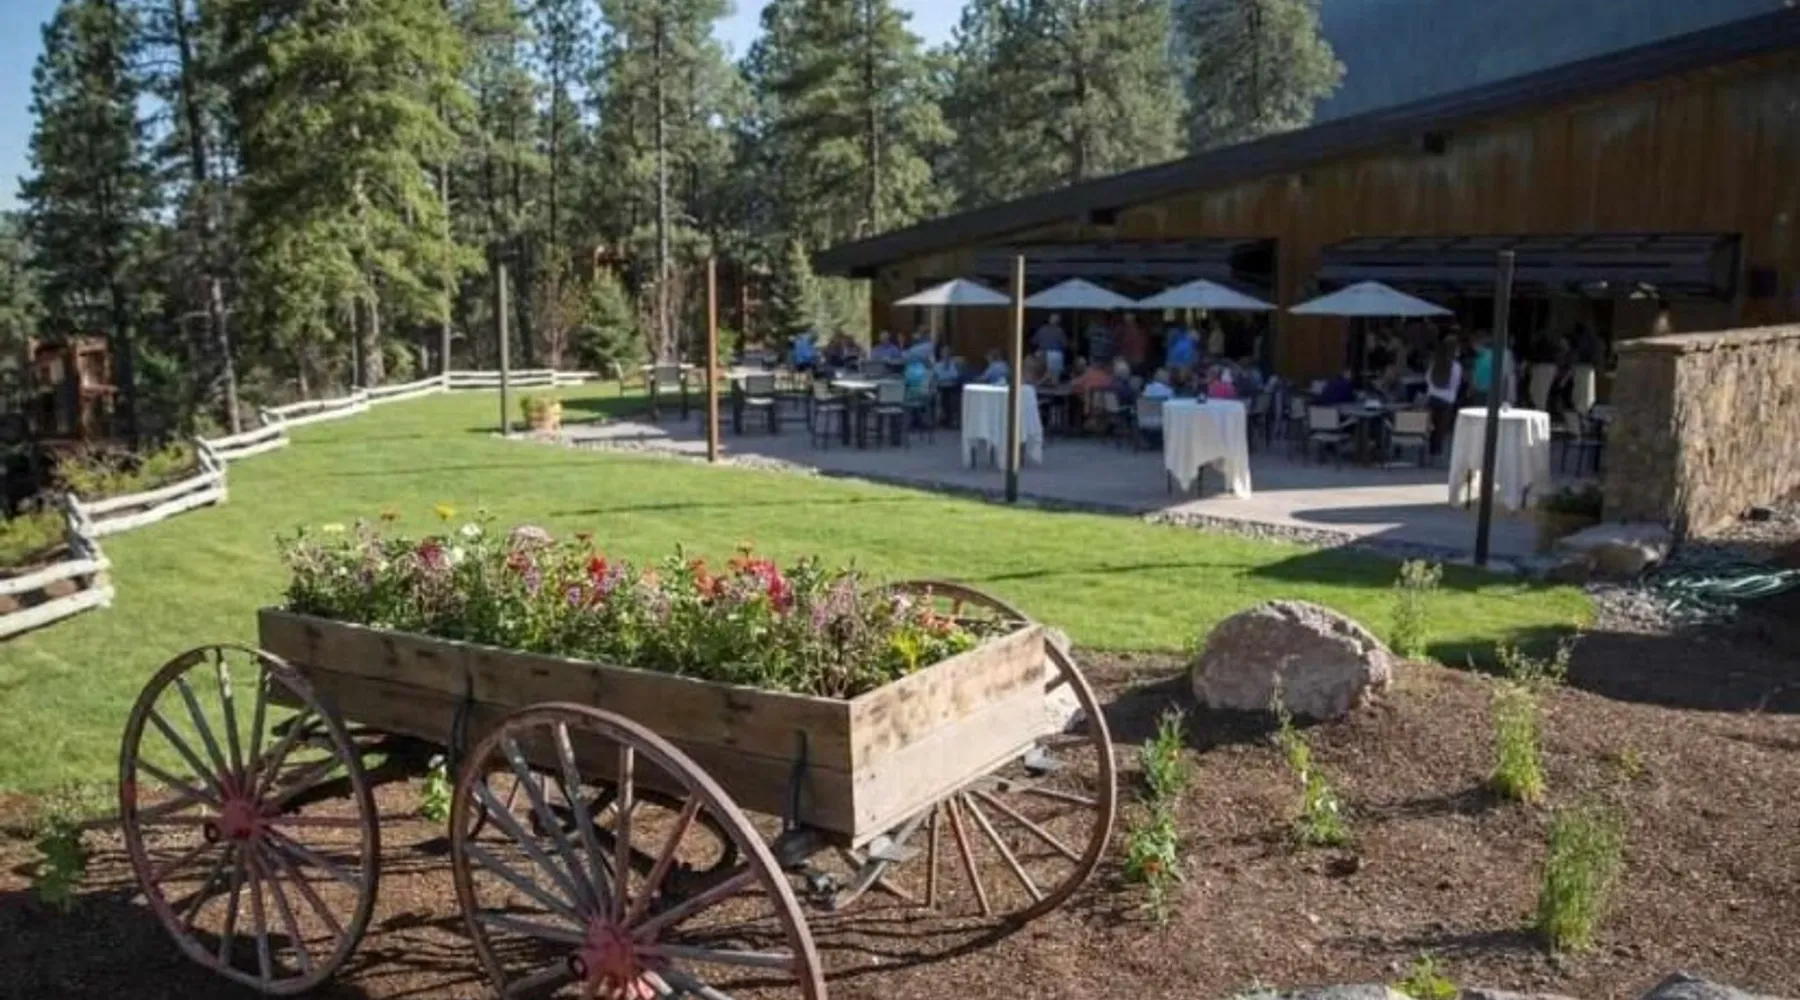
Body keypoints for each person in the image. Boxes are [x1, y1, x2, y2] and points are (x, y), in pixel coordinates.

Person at [1425, 338, 1462, 457]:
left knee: (1432, 425)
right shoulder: (1456, 366)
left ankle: (1430, 448)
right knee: (1441, 427)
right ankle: (1437, 451)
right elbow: (1456, 383)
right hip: (1447, 399)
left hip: (1432, 397)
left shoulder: (1434, 363)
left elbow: (1428, 378)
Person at [1570, 322, 1602, 414]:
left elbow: (1579, 353)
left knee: (1581, 389)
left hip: (1582, 366)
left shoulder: (1582, 340)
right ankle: (1585, 409)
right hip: (1589, 366)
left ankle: (1581, 409)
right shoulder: (1593, 340)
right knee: (1587, 390)